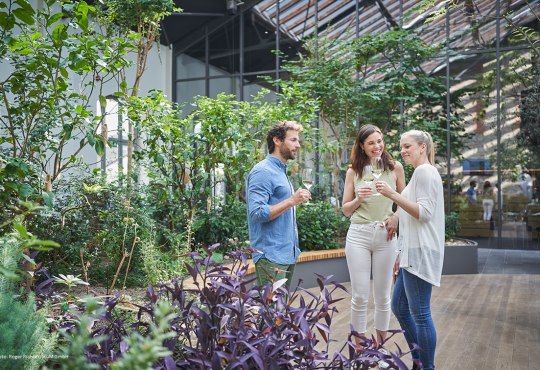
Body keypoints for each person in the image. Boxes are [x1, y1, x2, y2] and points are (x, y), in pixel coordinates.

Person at [375, 130, 445, 370]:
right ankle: (418, 360)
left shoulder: (426, 172)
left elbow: (424, 213)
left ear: (422, 147)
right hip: (410, 252)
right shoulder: (419, 174)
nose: (403, 151)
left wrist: (391, 193)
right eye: (401, 147)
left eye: (408, 146)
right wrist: (400, 251)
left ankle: (427, 366)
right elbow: (408, 212)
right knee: (400, 306)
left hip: (421, 251)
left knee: (421, 313)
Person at [341, 124, 405, 350]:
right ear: (361, 146)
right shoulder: (353, 171)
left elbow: (404, 204)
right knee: (359, 296)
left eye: (379, 141)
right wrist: (358, 199)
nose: (377, 146)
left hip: (385, 237)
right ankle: (360, 349)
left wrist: (396, 218)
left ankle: (379, 349)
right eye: (371, 143)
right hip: (358, 235)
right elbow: (346, 210)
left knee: (383, 296)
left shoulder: (395, 168)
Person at [246, 121, 311, 291]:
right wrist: (291, 200)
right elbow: (257, 213)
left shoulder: (280, 171)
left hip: (287, 254)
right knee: (271, 313)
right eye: (293, 140)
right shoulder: (263, 171)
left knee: (281, 314)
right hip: (270, 256)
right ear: (277, 140)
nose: (298, 145)